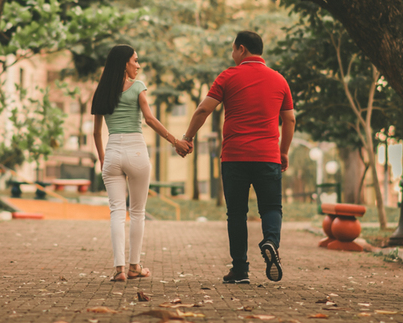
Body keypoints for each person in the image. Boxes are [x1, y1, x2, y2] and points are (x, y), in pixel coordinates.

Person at [180, 31, 295, 284]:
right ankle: (270, 242)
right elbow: (289, 119)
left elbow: (203, 109)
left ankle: (240, 269)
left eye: (233, 50)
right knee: (272, 207)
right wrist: (283, 151)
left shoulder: (228, 76)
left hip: (235, 157)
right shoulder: (279, 80)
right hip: (267, 156)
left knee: (236, 214)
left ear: (241, 49)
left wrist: (187, 137)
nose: (232, 56)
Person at [92, 44, 191, 282]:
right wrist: (175, 141)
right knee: (137, 212)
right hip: (136, 152)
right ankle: (135, 266)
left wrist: (104, 158)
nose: (138, 65)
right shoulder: (137, 87)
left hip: (112, 150)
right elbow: (149, 119)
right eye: (135, 60)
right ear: (125, 63)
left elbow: (97, 133)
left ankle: (119, 270)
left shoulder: (102, 91)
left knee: (117, 211)